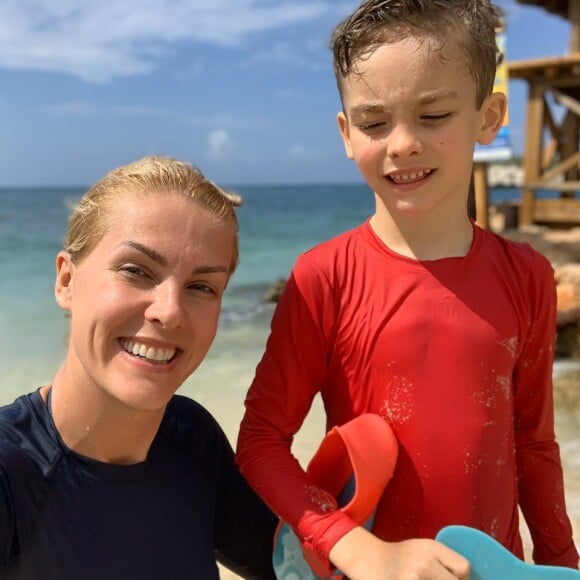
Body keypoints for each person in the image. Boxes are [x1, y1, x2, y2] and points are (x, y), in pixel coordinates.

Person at [235, 1, 580, 578]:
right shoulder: (323, 278)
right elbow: (262, 442)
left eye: (434, 115)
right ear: (346, 134)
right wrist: (347, 543)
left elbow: (535, 446)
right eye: (374, 123)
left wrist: (561, 563)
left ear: (489, 117)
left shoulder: (528, 277)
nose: (401, 144)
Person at [0, 156, 277, 580]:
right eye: (136, 270)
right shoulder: (11, 476)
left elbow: (292, 563)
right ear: (66, 281)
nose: (170, 312)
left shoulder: (192, 438)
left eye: (201, 286)